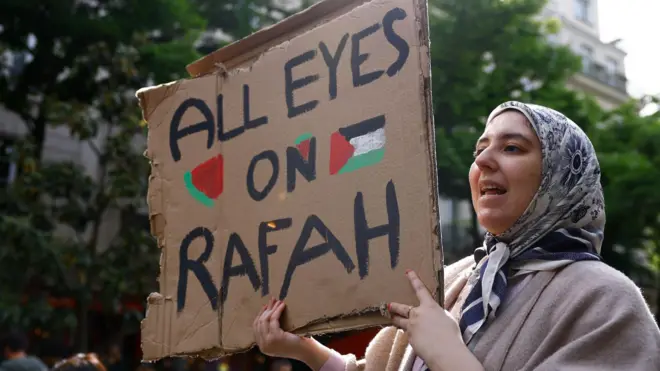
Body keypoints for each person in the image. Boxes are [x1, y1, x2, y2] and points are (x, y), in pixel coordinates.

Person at [252, 101, 660, 370]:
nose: (482, 160)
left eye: (513, 148)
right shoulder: (454, 279)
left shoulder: (607, 301)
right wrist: (303, 348)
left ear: (560, 175)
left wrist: (450, 357)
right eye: (480, 149)